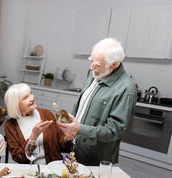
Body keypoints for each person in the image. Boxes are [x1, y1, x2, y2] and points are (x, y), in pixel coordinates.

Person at [57, 38, 137, 166]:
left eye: (97, 64)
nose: (91, 66)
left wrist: (79, 129)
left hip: (95, 158)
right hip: (76, 149)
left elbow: (113, 131)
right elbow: (82, 104)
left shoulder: (126, 89)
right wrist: (70, 126)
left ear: (114, 64)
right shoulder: (94, 74)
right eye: (91, 60)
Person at [4, 83, 73, 165]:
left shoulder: (47, 114)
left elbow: (62, 146)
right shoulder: (10, 125)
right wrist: (33, 136)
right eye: (26, 97)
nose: (32, 98)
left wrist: (67, 138)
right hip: (29, 171)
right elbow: (18, 158)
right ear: (15, 105)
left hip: (53, 167)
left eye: (31, 93)